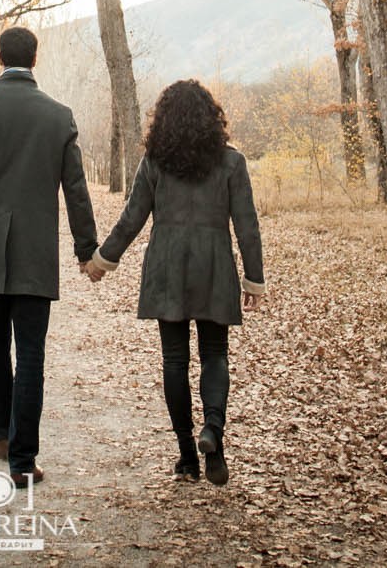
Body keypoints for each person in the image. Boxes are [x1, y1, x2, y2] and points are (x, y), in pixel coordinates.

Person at [87, 79, 264, 486]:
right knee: (215, 353)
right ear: (211, 119)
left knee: (174, 360)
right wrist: (254, 279)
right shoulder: (231, 162)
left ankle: (186, 455)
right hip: (214, 265)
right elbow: (247, 226)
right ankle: (213, 431)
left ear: (163, 120)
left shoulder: (155, 162)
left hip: (167, 266)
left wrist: (102, 260)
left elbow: (131, 218)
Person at [0, 26, 99, 488]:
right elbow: (75, 190)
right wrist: (85, 248)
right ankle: (22, 461)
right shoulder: (58, 116)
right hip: (36, 251)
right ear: (35, 59)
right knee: (31, 352)